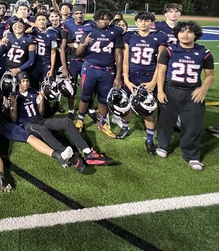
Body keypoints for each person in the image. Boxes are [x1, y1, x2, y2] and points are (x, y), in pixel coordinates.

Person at [0, 72, 74, 192]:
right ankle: (1, 178)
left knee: (29, 136)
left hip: (3, 123)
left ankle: (58, 156)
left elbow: (4, 112)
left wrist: (6, 107)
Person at [14, 71, 115, 170]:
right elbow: (13, 118)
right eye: (23, 81)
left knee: (67, 122)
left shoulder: (33, 92)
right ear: (18, 83)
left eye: (27, 81)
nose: (26, 83)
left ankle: (88, 152)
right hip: (27, 123)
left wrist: (41, 99)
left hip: (39, 119)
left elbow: (41, 113)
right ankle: (70, 156)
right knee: (42, 129)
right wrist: (12, 106)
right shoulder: (15, 96)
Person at [156, 21, 215, 170]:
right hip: (171, 89)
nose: (185, 35)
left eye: (189, 32)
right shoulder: (169, 50)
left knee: (193, 124)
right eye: (182, 31)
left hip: (193, 92)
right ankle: (163, 145)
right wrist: (160, 90)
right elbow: (161, 72)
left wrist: (203, 89)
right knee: (165, 121)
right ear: (177, 34)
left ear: (196, 34)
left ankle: (191, 155)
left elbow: (210, 76)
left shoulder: (204, 52)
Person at [119, 12, 169, 155]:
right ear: (136, 22)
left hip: (149, 76)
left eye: (147, 20)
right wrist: (126, 79)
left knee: (149, 109)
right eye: (140, 20)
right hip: (133, 76)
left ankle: (149, 139)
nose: (143, 23)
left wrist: (154, 81)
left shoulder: (159, 37)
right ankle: (125, 127)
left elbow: (161, 62)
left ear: (151, 23)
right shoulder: (129, 36)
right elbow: (126, 60)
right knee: (126, 105)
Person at [75, 9, 124, 139]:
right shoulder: (89, 30)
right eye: (101, 19)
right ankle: (80, 120)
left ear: (111, 20)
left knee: (103, 99)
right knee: (85, 96)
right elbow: (78, 53)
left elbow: (118, 54)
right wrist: (84, 43)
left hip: (107, 70)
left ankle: (103, 123)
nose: (104, 21)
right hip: (90, 68)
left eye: (107, 19)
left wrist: (118, 76)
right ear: (96, 19)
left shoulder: (115, 32)